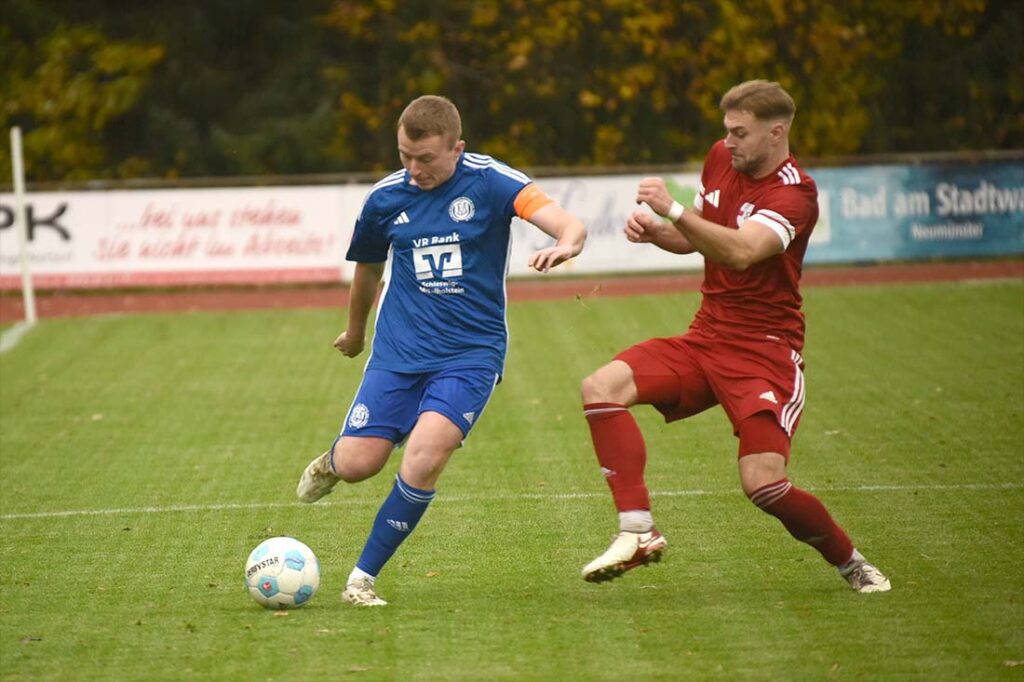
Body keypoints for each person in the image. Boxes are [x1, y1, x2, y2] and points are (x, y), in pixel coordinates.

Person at [578, 80, 890, 593]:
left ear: (777, 131)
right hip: (706, 336)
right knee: (601, 388)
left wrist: (673, 209)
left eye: (740, 133)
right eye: (726, 131)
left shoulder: (795, 194)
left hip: (764, 352)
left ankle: (850, 561)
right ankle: (638, 530)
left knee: (763, 484)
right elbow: (700, 234)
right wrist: (662, 233)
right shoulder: (721, 158)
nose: (729, 143)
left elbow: (743, 250)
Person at [296, 95, 587, 607]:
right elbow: (368, 270)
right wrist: (355, 332)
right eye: (405, 155)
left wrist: (567, 242)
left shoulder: (492, 180)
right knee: (362, 462)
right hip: (398, 351)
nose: (414, 169)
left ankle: (361, 578)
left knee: (426, 457)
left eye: (425, 158)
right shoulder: (386, 198)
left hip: (471, 354)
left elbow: (564, 221)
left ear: (457, 148)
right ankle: (333, 462)